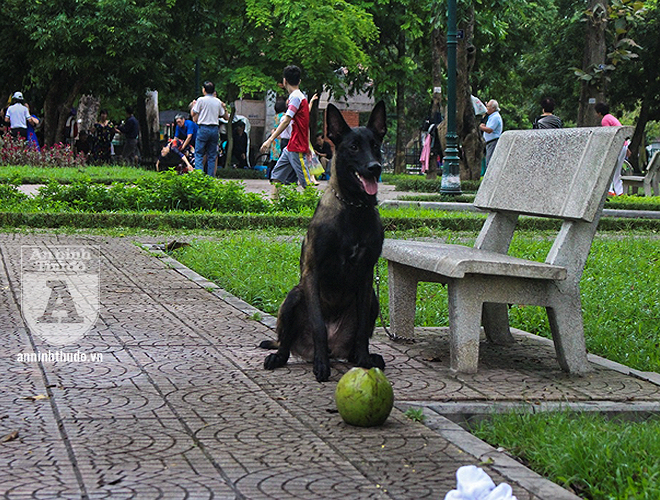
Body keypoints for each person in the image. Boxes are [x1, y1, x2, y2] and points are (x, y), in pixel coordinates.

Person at [260, 65, 312, 192]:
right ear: (299, 81)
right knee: (277, 175)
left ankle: (315, 208)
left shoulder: (296, 97)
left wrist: (269, 140)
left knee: (306, 183)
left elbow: (286, 120)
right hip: (291, 145)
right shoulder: (296, 97)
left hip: (297, 146)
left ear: (284, 81)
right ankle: (275, 207)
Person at [191, 81, 230, 176]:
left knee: (199, 154)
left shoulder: (201, 100)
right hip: (214, 129)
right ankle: (210, 178)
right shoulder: (217, 101)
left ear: (204, 90)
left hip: (203, 128)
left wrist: (193, 106)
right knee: (212, 155)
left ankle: (199, 177)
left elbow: (193, 113)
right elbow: (224, 116)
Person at [595, 102, 628, 196]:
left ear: (599, 113)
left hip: (617, 146)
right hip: (623, 145)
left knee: (609, 169)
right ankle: (619, 192)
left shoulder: (605, 120)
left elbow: (609, 135)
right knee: (617, 171)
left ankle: (610, 191)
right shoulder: (611, 117)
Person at [479, 99, 503, 172]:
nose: (486, 108)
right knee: (488, 161)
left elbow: (490, 130)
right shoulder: (492, 117)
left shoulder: (495, 117)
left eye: (488, 106)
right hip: (489, 142)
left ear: (493, 108)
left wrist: (482, 127)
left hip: (493, 142)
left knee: (490, 163)